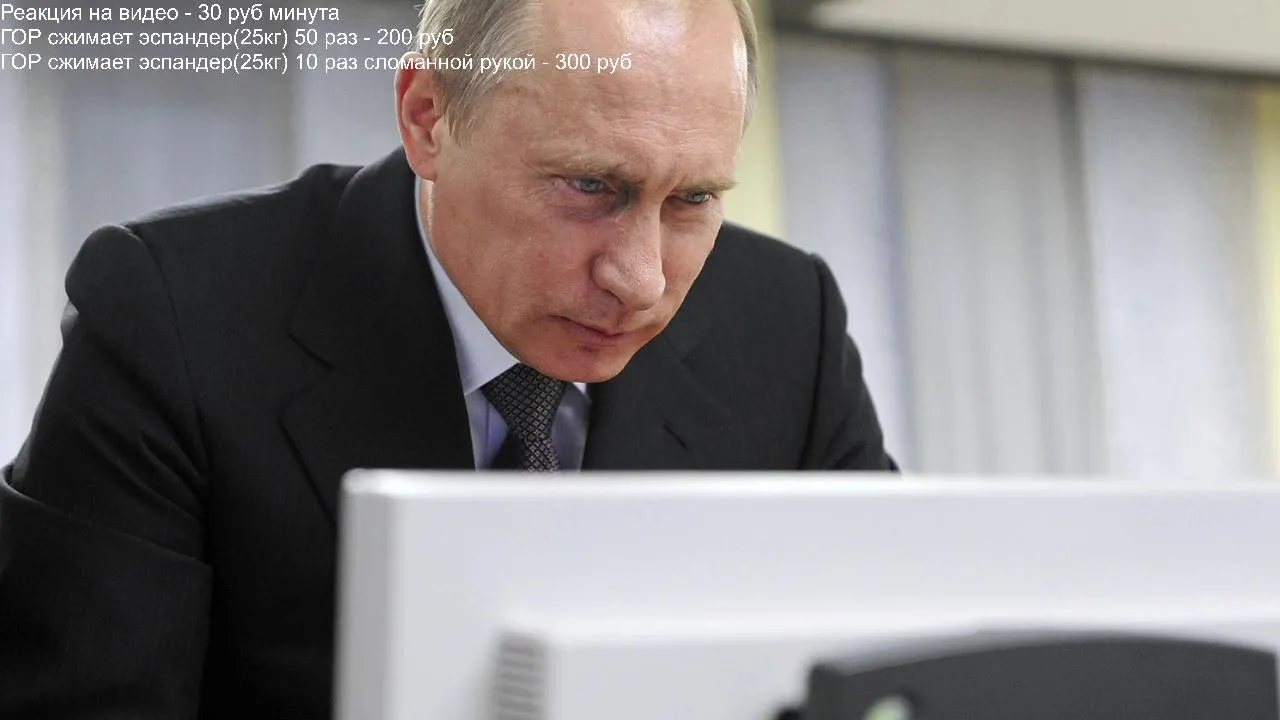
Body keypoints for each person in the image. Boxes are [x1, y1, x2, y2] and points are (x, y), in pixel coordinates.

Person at [0, 0, 897, 716]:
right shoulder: (173, 315)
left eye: (693, 199)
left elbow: (898, 674)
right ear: (428, 118)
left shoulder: (789, 322)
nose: (641, 279)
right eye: (590, 185)